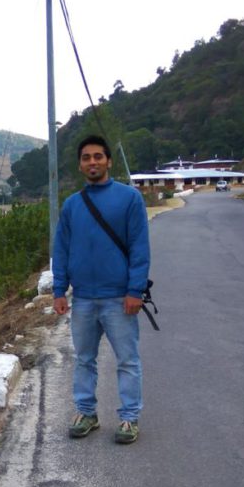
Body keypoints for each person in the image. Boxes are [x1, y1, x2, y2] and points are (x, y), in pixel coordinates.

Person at [52, 134, 150, 444]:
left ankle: (129, 419)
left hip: (119, 298)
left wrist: (135, 290)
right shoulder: (72, 205)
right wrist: (58, 290)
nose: (92, 162)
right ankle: (86, 413)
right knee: (83, 359)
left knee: (127, 360)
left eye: (98, 156)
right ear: (80, 165)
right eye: (86, 157)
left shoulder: (130, 198)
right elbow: (62, 248)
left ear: (108, 161)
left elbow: (139, 247)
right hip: (82, 299)